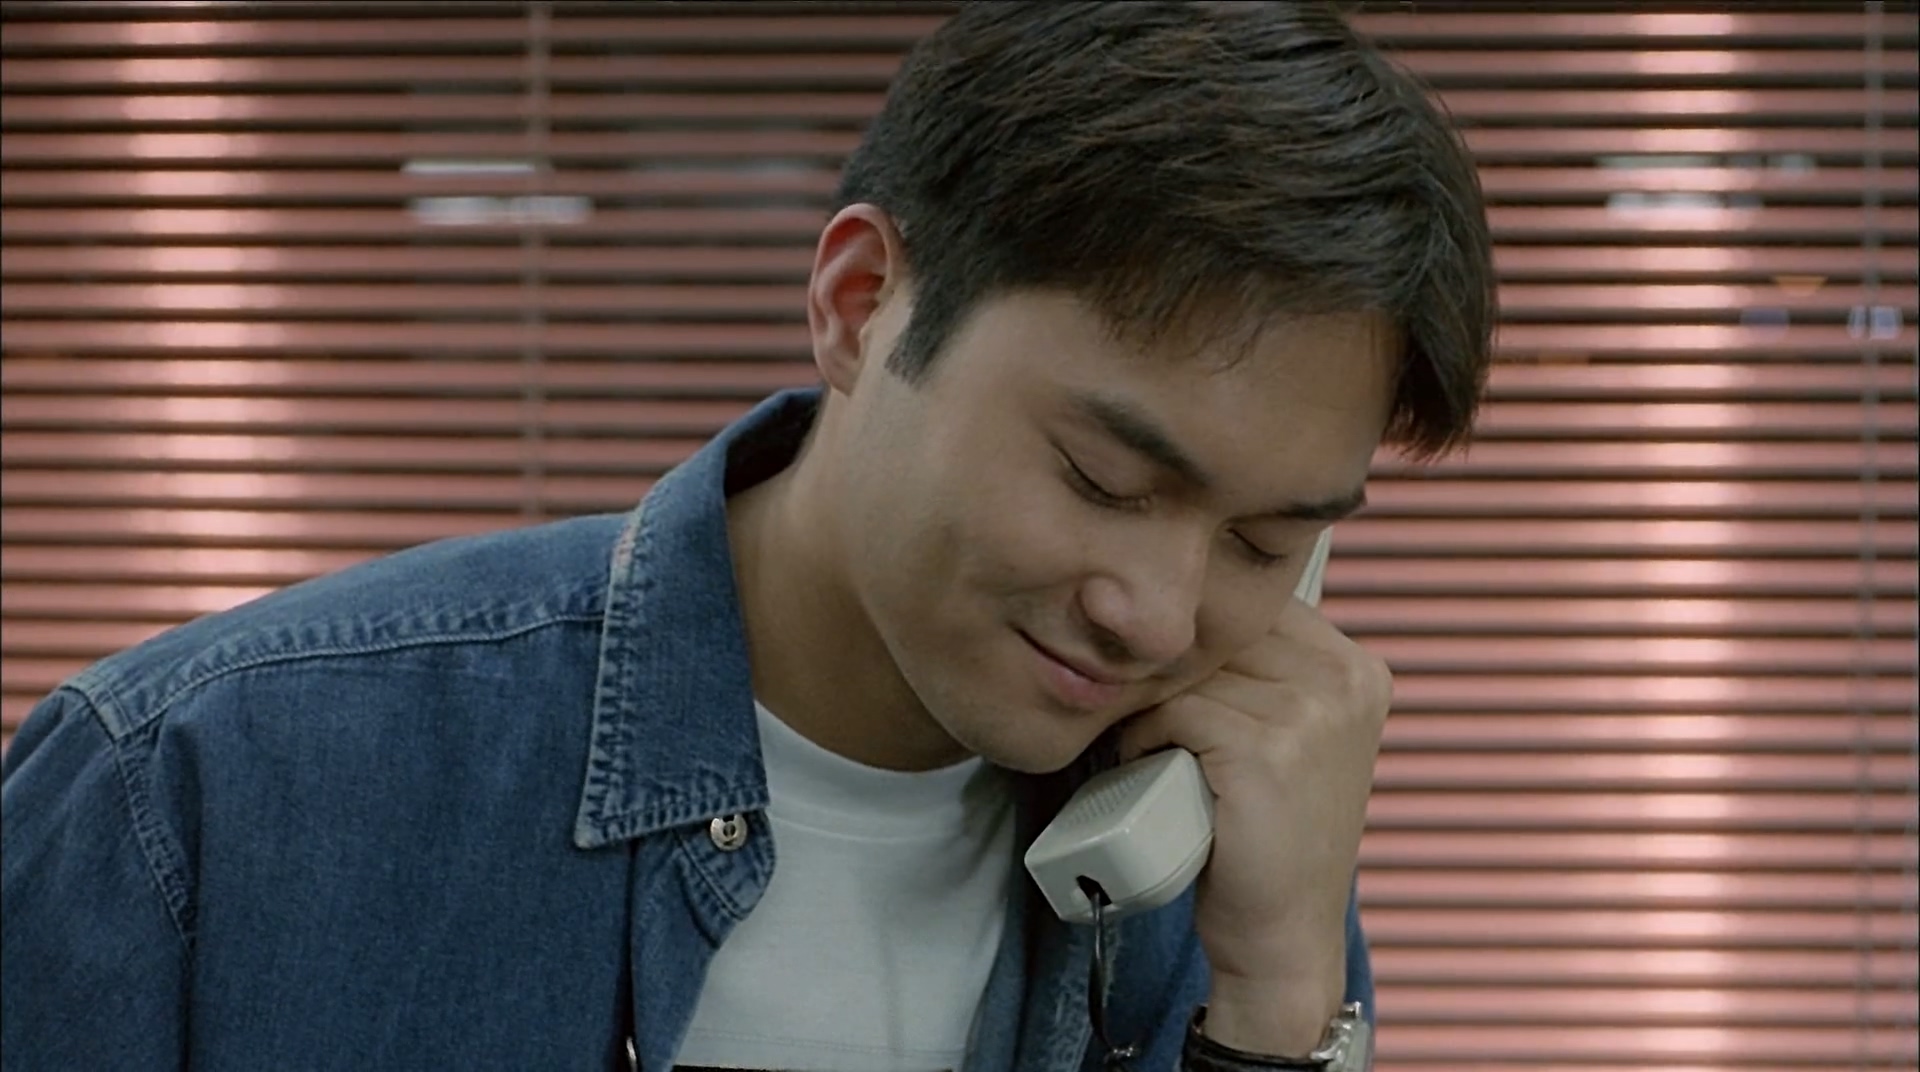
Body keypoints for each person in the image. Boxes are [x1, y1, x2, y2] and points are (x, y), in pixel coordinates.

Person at [0, 2, 1493, 1069]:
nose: (1158, 617)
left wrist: (1279, 1003)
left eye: (1262, 545)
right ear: (860, 307)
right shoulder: (200, 791)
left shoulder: (1225, 864)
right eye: (1104, 479)